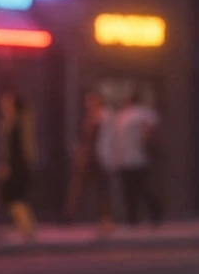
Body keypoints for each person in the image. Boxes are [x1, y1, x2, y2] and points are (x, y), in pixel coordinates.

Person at [62, 90, 114, 233]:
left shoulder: (103, 116)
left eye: (91, 101)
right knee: (78, 186)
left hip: (99, 157)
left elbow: (97, 138)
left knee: (102, 189)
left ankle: (106, 221)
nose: (88, 104)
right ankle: (69, 214)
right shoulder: (90, 118)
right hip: (90, 157)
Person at [112, 92, 163, 226]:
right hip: (135, 157)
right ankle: (136, 217)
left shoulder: (124, 116)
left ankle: (137, 217)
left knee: (133, 190)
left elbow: (150, 129)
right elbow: (151, 128)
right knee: (138, 189)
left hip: (131, 158)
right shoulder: (135, 114)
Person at [0, 92, 38, 239]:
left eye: (6, 103)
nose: (3, 105)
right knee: (18, 197)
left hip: (16, 167)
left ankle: (26, 229)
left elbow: (13, 150)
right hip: (22, 167)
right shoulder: (22, 122)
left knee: (13, 197)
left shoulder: (14, 125)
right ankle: (27, 228)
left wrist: (6, 166)